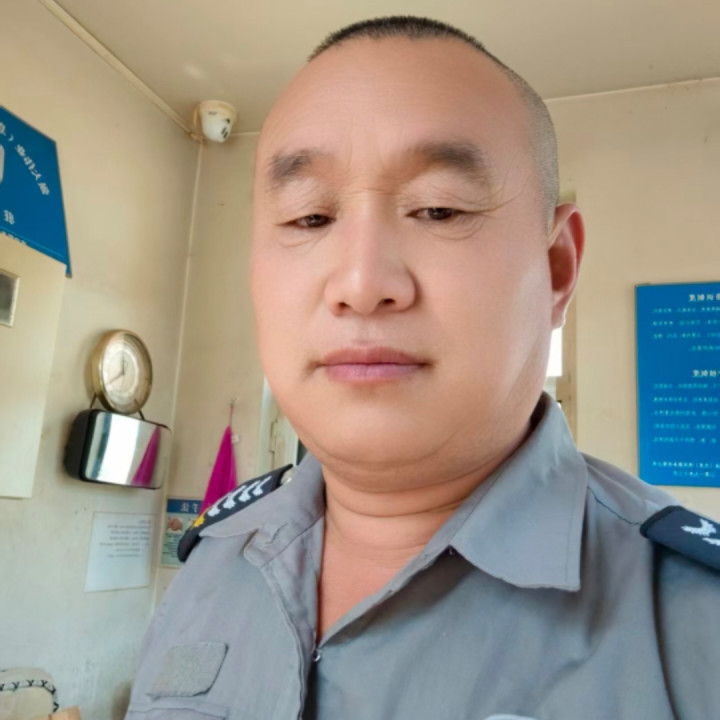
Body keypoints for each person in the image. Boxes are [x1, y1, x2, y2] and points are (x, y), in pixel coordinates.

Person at [124, 16, 720, 720]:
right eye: (310, 218)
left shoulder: (693, 631)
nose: (361, 283)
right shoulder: (211, 563)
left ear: (556, 270)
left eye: (438, 210)